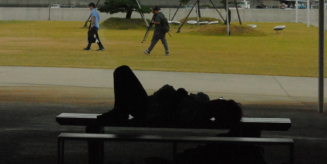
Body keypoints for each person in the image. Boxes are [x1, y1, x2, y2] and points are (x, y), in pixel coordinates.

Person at [97, 65, 243, 129]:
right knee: (123, 72)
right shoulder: (201, 110)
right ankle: (120, 110)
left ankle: (120, 111)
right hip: (147, 107)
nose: (219, 100)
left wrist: (177, 96)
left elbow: (170, 113)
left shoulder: (199, 113)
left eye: (222, 102)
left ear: (220, 110)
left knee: (122, 71)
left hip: (145, 110)